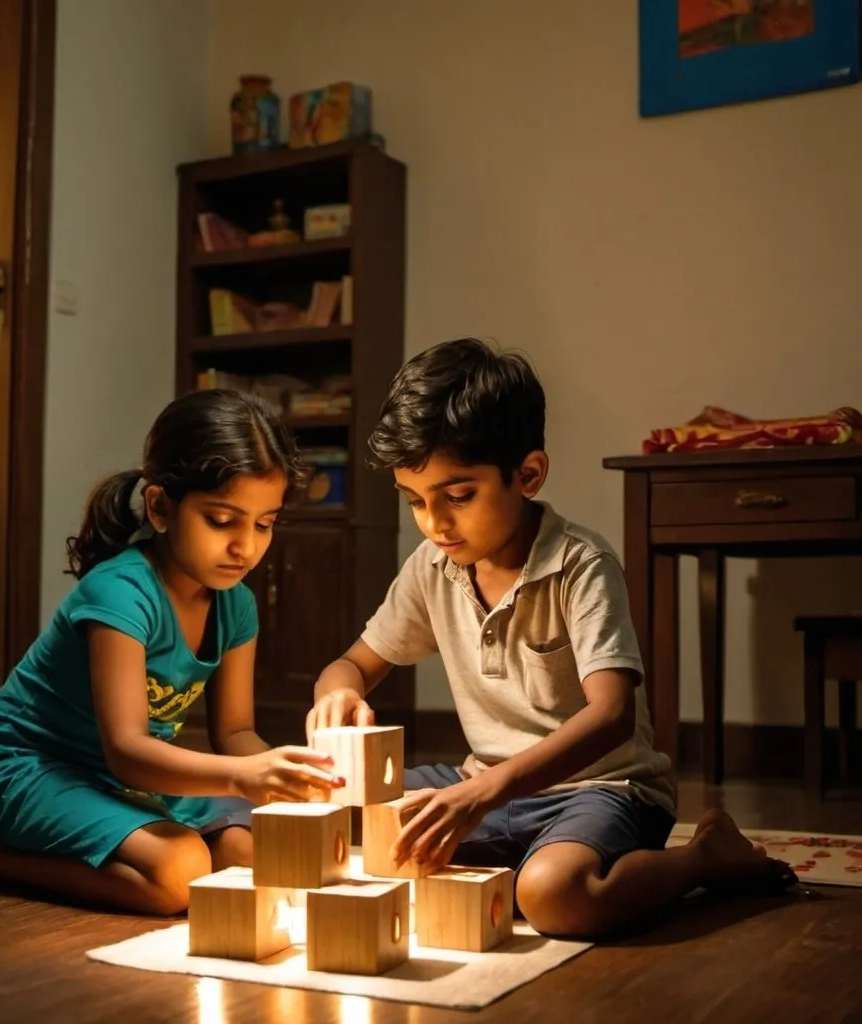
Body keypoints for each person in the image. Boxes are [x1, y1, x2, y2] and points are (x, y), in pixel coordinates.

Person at [306, 338, 796, 939]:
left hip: (601, 789)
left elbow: (612, 715)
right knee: (325, 809)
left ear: (528, 474)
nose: (436, 522)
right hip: (482, 783)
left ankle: (703, 858)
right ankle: (506, 858)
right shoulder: (432, 566)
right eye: (415, 501)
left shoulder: (581, 564)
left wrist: (484, 792)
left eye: (458, 496)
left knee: (553, 896)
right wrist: (338, 694)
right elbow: (352, 664)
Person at [0, 390, 343, 914]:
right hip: (29, 767)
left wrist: (285, 774)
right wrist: (243, 777)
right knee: (179, 874)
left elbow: (234, 732)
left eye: (264, 524)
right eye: (222, 521)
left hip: (123, 775)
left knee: (253, 849)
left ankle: (97, 837)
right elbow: (126, 748)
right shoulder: (120, 592)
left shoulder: (235, 605)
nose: (246, 546)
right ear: (160, 507)